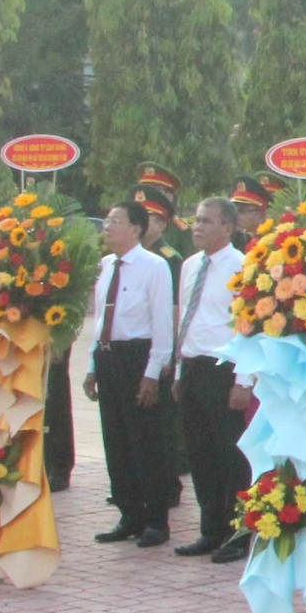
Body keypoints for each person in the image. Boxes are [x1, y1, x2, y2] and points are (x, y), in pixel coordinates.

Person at [84, 201, 177, 547]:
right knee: (117, 440)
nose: (107, 227)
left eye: (115, 221)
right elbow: (99, 320)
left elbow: (162, 323)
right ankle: (129, 514)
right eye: (107, 221)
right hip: (108, 357)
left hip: (138, 358)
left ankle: (156, 520)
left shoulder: (155, 266)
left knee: (146, 442)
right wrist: (93, 366)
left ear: (136, 229)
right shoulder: (105, 265)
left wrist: (153, 373)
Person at [171, 197, 251, 563]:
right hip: (192, 365)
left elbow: (248, 325)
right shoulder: (190, 265)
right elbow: (187, 318)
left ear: (228, 228)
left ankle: (238, 533)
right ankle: (210, 528)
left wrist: (243, 379)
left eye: (207, 221)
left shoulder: (242, 267)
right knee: (199, 452)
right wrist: (178, 370)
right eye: (197, 220)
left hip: (224, 369)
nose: (198, 226)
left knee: (229, 455)